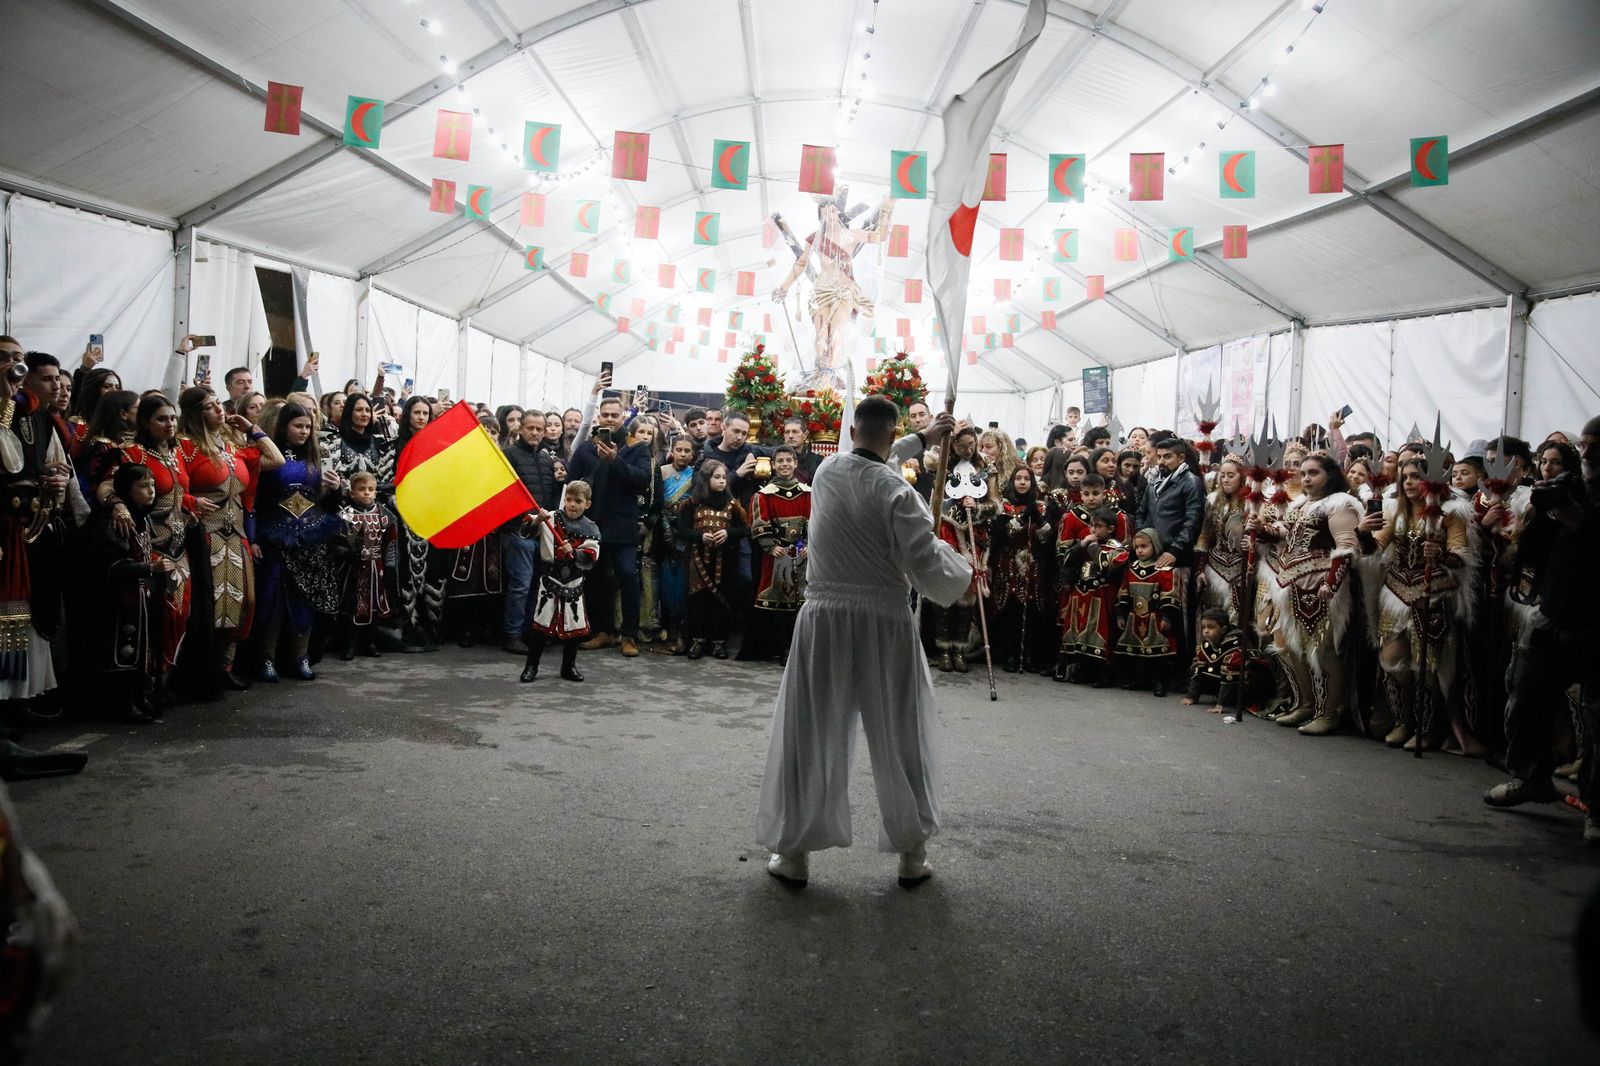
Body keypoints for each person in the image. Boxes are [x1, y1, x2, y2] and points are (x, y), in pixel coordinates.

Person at [755, 396, 969, 888]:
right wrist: (960, 567)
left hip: (824, 619)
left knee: (810, 728)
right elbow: (929, 568)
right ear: (893, 435)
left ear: (852, 430)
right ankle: (912, 855)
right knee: (900, 731)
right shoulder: (902, 494)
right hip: (883, 620)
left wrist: (923, 439)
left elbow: (875, 458)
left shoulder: (828, 471)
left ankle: (794, 853)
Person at [1485, 427, 1600, 844]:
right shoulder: (1567, 488)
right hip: (1552, 612)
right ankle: (1533, 777)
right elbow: (1531, 552)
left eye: (1593, 446)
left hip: (1596, 622)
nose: (1585, 452)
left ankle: (1597, 808)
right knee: (1526, 696)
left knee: (1596, 718)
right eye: (1583, 444)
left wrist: (1580, 521)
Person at [1360, 456, 1476, 751]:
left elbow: (1461, 555)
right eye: (1404, 477)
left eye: (1414, 476)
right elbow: (1376, 547)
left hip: (1433, 594)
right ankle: (1403, 721)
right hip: (1395, 592)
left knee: (1427, 665)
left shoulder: (1451, 513)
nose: (1409, 482)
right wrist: (1363, 533)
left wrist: (1440, 554)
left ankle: (1428, 728)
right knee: (1391, 661)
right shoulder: (1394, 510)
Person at [177, 386, 285, 690]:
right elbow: (172, 486)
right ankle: (204, 668)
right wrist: (190, 501)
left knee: (243, 602)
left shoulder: (231, 445)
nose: (219, 410)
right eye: (210, 407)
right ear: (197, 413)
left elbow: (275, 460)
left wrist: (252, 427)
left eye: (218, 404)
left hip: (235, 534)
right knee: (209, 605)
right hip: (203, 534)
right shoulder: (185, 446)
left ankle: (226, 664)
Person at [1251, 453, 1362, 735]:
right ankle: (1305, 703)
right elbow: (1285, 532)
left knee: (1322, 652)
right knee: (1286, 645)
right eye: (1304, 473)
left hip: (1320, 587)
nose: (1307, 479)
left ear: (1331, 475)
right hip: (1289, 585)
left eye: (1314, 473)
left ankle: (1328, 712)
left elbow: (1346, 547)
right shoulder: (1301, 503)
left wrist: (1332, 584)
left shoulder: (1341, 504)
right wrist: (1261, 530)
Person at [254, 402, 343, 683]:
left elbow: (323, 503)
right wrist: (254, 536)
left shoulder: (317, 456)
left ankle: (300, 658)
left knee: (305, 599)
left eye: (308, 426)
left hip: (310, 539)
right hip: (275, 538)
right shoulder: (270, 456)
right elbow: (254, 501)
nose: (304, 431)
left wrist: (335, 489)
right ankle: (266, 659)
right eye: (298, 426)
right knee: (274, 599)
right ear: (284, 426)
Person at [85, 464, 171, 722]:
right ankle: (123, 703)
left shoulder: (142, 517)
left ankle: (140, 696)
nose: (151, 491)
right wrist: (149, 568)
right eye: (143, 486)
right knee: (124, 651)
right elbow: (113, 565)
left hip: (140, 598)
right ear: (127, 490)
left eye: (153, 485)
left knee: (142, 650)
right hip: (120, 602)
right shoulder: (116, 523)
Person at [569, 395, 652, 657]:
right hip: (592, 525)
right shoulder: (585, 449)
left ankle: (629, 635)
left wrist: (615, 460)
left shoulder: (636, 447)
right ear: (599, 417)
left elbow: (642, 481)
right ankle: (603, 631)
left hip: (623, 526)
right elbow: (572, 482)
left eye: (614, 415)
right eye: (605, 415)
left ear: (623, 415)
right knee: (594, 579)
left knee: (628, 576)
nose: (609, 419)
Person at [519, 482, 602, 684]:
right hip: (550, 581)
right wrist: (537, 520)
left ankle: (568, 666)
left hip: (574, 584)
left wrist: (574, 553)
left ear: (587, 504)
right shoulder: (550, 518)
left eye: (578, 501)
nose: (572, 504)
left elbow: (592, 555)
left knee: (573, 629)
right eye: (569, 499)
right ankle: (531, 666)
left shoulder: (591, 528)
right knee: (540, 626)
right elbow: (525, 531)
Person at [739, 446, 811, 664]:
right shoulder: (763, 495)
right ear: (773, 465)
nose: (785, 464)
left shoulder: (808, 493)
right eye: (780, 461)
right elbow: (759, 523)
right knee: (774, 602)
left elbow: (814, 522)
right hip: (776, 556)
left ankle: (797, 649)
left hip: (802, 555)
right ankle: (777, 648)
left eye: (789, 460)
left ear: (796, 463)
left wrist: (808, 544)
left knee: (800, 602)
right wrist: (770, 546)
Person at [500, 409, 561, 653]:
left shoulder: (546, 459)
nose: (535, 432)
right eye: (530, 428)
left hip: (543, 534)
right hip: (518, 533)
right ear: (520, 429)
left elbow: (549, 495)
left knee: (538, 586)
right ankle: (512, 634)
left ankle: (529, 632)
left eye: (539, 428)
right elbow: (504, 498)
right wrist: (528, 520)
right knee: (521, 586)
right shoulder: (508, 456)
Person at [676, 460, 748, 660]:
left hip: (725, 560)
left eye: (724, 477)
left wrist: (727, 533)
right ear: (706, 479)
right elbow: (681, 530)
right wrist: (700, 537)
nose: (722, 481)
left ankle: (719, 643)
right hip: (697, 560)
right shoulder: (692, 504)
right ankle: (697, 641)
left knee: (722, 601)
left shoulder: (733, 505)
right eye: (717, 477)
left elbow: (745, 529)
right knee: (698, 600)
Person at [989, 466, 1051, 674]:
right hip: (1008, 566)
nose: (1023, 482)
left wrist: (1040, 520)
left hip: (1033, 566)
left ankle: (1029, 655)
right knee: (1010, 612)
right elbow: (1001, 533)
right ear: (1012, 482)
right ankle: (1010, 654)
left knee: (1032, 611)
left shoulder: (1042, 507)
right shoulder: (1003, 507)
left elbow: (1047, 539)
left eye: (1027, 479)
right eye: (1018, 478)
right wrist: (1022, 519)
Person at [336, 471, 397, 660]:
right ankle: (349, 643)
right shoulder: (345, 514)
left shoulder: (384, 515)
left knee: (374, 605)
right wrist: (346, 553)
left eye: (371, 489)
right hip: (352, 569)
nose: (367, 493)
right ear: (352, 493)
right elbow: (335, 541)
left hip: (375, 568)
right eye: (361, 489)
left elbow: (391, 542)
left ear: (376, 492)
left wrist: (390, 567)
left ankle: (369, 642)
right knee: (352, 605)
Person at [1114, 529, 1181, 696]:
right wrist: (1121, 614)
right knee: (1137, 652)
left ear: (1155, 546)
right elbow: (1123, 592)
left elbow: (1169, 594)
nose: (1140, 550)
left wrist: (1167, 617)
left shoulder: (1164, 570)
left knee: (1157, 654)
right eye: (1137, 547)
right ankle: (1139, 678)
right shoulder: (1131, 569)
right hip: (1134, 617)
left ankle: (1159, 682)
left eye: (1144, 546)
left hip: (1155, 617)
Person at [653, 434, 697, 656]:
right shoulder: (661, 472)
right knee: (665, 585)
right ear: (672, 450)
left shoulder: (696, 476)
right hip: (663, 532)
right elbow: (658, 503)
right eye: (679, 449)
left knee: (682, 585)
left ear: (693, 454)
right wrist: (665, 528)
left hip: (686, 534)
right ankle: (667, 629)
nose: (682, 454)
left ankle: (681, 633)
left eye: (687, 451)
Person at [1183, 608, 1246, 715]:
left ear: (1223, 629)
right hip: (1219, 682)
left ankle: (1223, 702)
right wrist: (1191, 696)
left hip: (1242, 687)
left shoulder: (1235, 646)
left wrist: (1220, 704)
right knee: (1199, 666)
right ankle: (1193, 696)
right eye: (1203, 627)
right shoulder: (1208, 644)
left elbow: (1230, 675)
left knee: (1228, 671)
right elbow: (1199, 668)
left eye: (1211, 627)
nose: (1206, 631)